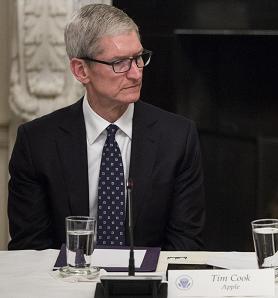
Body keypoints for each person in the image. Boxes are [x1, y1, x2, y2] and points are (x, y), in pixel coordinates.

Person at [8, 4, 205, 251]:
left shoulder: (178, 137)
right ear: (81, 70)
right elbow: (30, 249)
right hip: (66, 282)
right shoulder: (37, 142)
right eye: (120, 63)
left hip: (148, 283)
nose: (136, 74)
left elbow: (185, 246)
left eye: (139, 58)